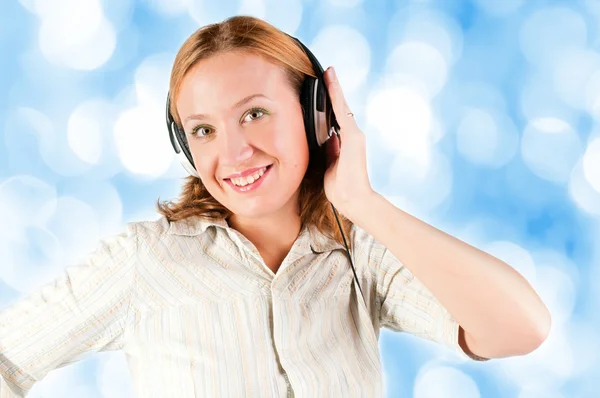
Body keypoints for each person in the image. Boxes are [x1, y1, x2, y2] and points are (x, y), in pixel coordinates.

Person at [0, 15, 550, 398]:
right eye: (204, 129)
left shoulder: (359, 254)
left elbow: (520, 329)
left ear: (318, 113)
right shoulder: (144, 261)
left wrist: (362, 202)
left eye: (255, 114)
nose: (234, 152)